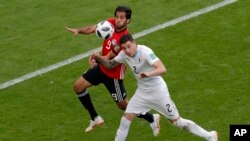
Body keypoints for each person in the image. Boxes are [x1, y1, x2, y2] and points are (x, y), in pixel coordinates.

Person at [92, 33, 218, 141]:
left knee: (178, 123)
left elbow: (162, 69)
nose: (127, 50)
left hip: (158, 92)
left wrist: (149, 74)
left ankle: (210, 136)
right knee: (125, 120)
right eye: (124, 48)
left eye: (129, 46)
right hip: (142, 93)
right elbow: (109, 65)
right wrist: (98, 58)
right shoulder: (124, 54)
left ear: (134, 43)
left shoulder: (146, 52)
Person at [65, 6, 159, 134]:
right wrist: (78, 30)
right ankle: (95, 118)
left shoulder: (125, 40)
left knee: (123, 105)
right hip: (101, 68)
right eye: (117, 16)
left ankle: (152, 118)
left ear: (128, 21)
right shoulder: (111, 23)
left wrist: (96, 58)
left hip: (113, 75)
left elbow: (108, 60)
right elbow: (94, 28)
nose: (118, 20)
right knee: (78, 87)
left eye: (122, 18)